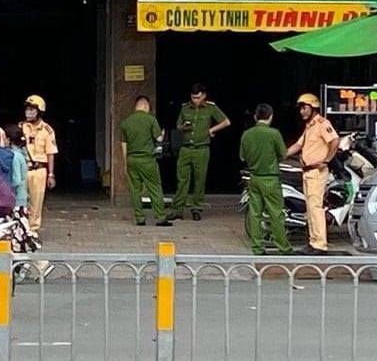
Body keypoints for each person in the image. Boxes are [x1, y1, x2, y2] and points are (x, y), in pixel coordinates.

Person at [285, 93, 340, 256]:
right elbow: (298, 145)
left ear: (313, 107)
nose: (302, 111)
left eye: (304, 108)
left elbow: (334, 141)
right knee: (310, 208)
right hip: (308, 172)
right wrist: (282, 154)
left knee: (315, 208)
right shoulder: (310, 126)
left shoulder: (323, 123)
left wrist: (327, 160)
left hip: (317, 171)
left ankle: (320, 244)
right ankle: (313, 241)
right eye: (301, 108)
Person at [170, 83, 230, 222]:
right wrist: (183, 127)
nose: (195, 100)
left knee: (199, 180)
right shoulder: (185, 108)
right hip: (186, 148)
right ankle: (177, 209)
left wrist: (211, 130)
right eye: (193, 97)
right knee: (182, 180)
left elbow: (226, 121)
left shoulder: (210, 108)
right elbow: (178, 124)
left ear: (204, 95)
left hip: (201, 149)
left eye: (198, 97)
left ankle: (196, 209)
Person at [240, 104, 293, 256]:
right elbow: (283, 154)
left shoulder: (247, 134)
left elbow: (242, 156)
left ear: (255, 117)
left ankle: (257, 247)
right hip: (270, 178)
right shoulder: (274, 134)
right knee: (276, 214)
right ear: (271, 117)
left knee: (255, 213)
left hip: (253, 177)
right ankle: (283, 247)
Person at [120, 95, 169, 227]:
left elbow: (123, 145)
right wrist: (163, 134)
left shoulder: (126, 122)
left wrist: (125, 163)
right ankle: (160, 217)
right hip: (147, 160)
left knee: (135, 190)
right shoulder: (150, 119)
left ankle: (140, 218)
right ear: (145, 106)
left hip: (131, 159)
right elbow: (158, 139)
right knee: (154, 187)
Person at [19, 95, 58, 234]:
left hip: (39, 170)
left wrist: (51, 174)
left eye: (32, 110)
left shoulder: (47, 130)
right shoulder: (21, 127)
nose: (28, 113)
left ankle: (33, 230)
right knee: (21, 200)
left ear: (39, 112)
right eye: (27, 110)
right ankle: (21, 229)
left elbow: (51, 153)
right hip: (23, 168)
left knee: (36, 202)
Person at [3, 124, 30, 210]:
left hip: (17, 199)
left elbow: (16, 180)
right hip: (21, 196)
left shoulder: (14, 156)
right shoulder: (22, 152)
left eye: (4, 137)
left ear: (9, 139)